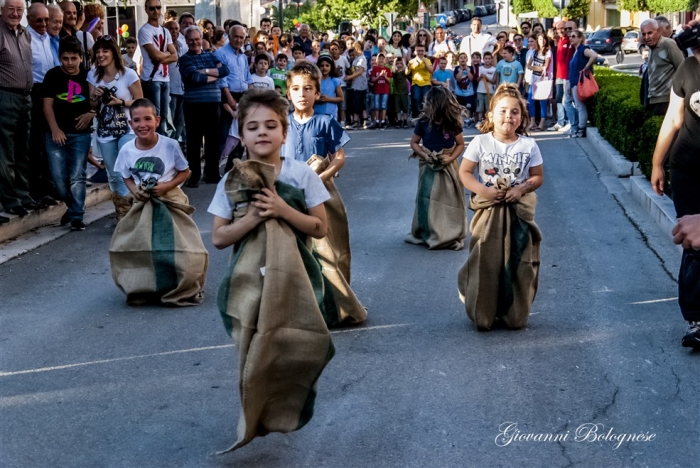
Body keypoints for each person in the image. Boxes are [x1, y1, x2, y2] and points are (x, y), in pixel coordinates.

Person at [208, 89, 333, 453]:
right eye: (252, 126)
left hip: (294, 277)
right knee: (252, 351)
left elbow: (319, 228)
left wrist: (282, 208)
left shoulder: (301, 176)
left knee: (294, 345)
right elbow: (218, 238)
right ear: (241, 135)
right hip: (248, 281)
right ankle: (253, 414)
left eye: (270, 125)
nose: (262, 132)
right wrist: (250, 218)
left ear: (284, 132)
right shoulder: (231, 181)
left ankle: (284, 408)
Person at [458, 84, 544, 330]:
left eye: (515, 112)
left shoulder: (528, 146)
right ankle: (484, 312)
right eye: (503, 110)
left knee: (519, 261)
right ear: (491, 115)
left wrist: (520, 189)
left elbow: (538, 177)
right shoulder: (480, 142)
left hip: (519, 212)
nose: (509, 116)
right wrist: (485, 191)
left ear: (522, 117)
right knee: (486, 260)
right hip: (489, 211)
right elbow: (465, 172)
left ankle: (514, 312)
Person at [650, 12, 700, 349]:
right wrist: (657, 162)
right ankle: (697, 318)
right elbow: (673, 118)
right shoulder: (689, 69)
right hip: (688, 169)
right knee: (694, 243)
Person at [43, 36, 97, 231]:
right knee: (58, 178)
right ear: (59, 58)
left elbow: (96, 101)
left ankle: (76, 216)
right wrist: (55, 128)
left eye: (74, 58)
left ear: (80, 58)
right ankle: (73, 206)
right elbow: (47, 105)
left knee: (77, 176)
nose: (70, 63)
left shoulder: (88, 76)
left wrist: (91, 114)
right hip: (56, 134)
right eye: (65, 58)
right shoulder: (52, 76)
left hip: (80, 134)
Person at [87, 35, 143, 219]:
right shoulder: (93, 75)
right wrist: (94, 97)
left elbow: (139, 102)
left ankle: (126, 215)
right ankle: (123, 209)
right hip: (105, 131)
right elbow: (93, 108)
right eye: (98, 51)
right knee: (113, 174)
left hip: (127, 128)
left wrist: (120, 101)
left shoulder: (128, 74)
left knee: (124, 168)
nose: (101, 55)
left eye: (105, 50)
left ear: (114, 52)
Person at [406, 86, 466, 250]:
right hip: (429, 164)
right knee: (427, 197)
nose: (424, 105)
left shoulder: (452, 122)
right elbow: (414, 142)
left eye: (428, 103)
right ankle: (427, 230)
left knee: (448, 199)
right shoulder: (424, 122)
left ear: (438, 105)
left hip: (447, 165)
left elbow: (460, 144)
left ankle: (449, 231)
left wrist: (451, 158)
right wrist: (424, 155)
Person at [0, 0, 40, 218]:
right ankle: (10, 199)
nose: (15, 14)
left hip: (26, 97)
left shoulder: (25, 33)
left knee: (23, 149)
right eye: (11, 9)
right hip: (5, 96)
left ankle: (23, 194)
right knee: (6, 152)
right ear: (1, 11)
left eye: (19, 10)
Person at [179, 25, 230, 187]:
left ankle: (212, 174)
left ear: (202, 39)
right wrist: (213, 73)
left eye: (197, 39)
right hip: (193, 105)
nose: (194, 42)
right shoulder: (185, 59)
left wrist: (205, 71)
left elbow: (225, 71)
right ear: (186, 41)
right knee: (194, 143)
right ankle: (194, 176)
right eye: (191, 40)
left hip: (213, 103)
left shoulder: (211, 55)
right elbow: (194, 78)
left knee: (213, 142)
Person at [27, 3, 60, 207]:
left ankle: (50, 186)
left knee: (50, 143)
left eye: (46, 20)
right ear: (29, 18)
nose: (43, 23)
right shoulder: (26, 38)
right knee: (36, 145)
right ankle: (38, 190)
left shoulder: (49, 39)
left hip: (51, 93)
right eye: (38, 20)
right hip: (35, 93)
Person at [138, 0, 177, 136]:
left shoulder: (165, 31)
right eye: (152, 8)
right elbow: (155, 56)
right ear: (146, 10)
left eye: (158, 8)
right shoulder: (144, 30)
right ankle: (154, 143)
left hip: (165, 78)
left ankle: (162, 143)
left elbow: (175, 56)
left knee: (165, 116)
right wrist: (165, 55)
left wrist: (163, 56)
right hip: (152, 78)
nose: (156, 11)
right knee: (155, 114)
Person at [215, 25, 252, 161]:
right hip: (227, 96)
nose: (238, 40)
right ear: (229, 36)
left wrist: (251, 98)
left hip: (243, 96)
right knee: (223, 134)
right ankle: (214, 170)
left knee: (241, 134)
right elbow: (221, 80)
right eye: (235, 36)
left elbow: (248, 78)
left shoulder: (242, 55)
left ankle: (232, 168)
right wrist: (229, 99)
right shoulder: (221, 53)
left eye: (241, 37)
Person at [640, 18, 685, 116]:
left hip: (666, 101)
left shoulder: (668, 44)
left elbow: (682, 69)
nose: (646, 37)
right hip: (654, 101)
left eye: (650, 33)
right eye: (644, 34)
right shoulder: (651, 47)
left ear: (659, 31)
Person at [564, 30, 598, 138]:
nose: (571, 38)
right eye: (570, 37)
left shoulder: (583, 49)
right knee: (570, 103)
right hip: (574, 82)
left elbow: (594, 56)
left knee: (580, 106)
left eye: (573, 36)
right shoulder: (576, 51)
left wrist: (586, 67)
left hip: (580, 82)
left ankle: (581, 129)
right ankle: (576, 126)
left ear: (580, 38)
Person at [547, 21, 575, 132]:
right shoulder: (560, 41)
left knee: (567, 100)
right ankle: (560, 121)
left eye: (563, 28)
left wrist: (567, 78)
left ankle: (568, 121)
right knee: (559, 99)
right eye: (558, 29)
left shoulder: (570, 41)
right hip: (559, 76)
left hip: (566, 77)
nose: (561, 31)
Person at [163, 21, 185, 146]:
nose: (174, 31)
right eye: (171, 29)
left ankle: (176, 145)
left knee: (180, 122)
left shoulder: (183, 45)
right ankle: (169, 146)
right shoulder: (162, 47)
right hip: (169, 89)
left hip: (183, 89)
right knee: (169, 122)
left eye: (176, 28)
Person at [526, 33, 552, 131]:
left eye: (544, 39)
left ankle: (541, 123)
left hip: (543, 80)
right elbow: (528, 66)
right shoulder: (534, 52)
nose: (542, 41)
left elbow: (545, 67)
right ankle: (532, 122)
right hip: (533, 80)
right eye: (540, 39)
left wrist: (535, 68)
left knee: (542, 102)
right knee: (530, 101)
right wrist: (537, 68)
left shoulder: (548, 52)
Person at [345, 42, 368, 129]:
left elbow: (360, 71)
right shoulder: (357, 58)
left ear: (357, 49)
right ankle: (359, 120)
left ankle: (359, 120)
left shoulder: (361, 59)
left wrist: (350, 77)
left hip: (360, 84)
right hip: (355, 84)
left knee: (359, 103)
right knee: (356, 102)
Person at [314, 55, 344, 120]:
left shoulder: (334, 81)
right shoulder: (315, 81)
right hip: (317, 115)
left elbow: (341, 98)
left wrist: (328, 99)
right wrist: (316, 100)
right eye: (322, 66)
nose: (324, 68)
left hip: (331, 115)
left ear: (331, 67)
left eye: (327, 65)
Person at [407, 43, 432, 119]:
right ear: (415, 52)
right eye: (418, 51)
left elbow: (431, 70)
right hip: (416, 83)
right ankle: (416, 117)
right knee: (416, 99)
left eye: (422, 51)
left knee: (425, 100)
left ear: (425, 52)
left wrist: (424, 61)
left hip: (426, 83)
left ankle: (426, 117)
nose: (420, 52)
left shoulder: (427, 60)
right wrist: (408, 65)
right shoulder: (412, 61)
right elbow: (406, 73)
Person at [369, 53, 392, 129]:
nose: (381, 60)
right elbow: (373, 79)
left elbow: (389, 80)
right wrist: (379, 76)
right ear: (377, 60)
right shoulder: (375, 69)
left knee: (383, 106)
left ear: (385, 60)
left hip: (385, 91)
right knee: (377, 106)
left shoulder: (387, 69)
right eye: (379, 59)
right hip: (377, 90)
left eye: (382, 59)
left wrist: (384, 76)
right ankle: (377, 120)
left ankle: (383, 121)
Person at [330, 41, 350, 127]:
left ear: (339, 50)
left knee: (342, 105)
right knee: (334, 104)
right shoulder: (329, 60)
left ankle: (342, 122)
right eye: (332, 49)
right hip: (332, 85)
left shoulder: (343, 58)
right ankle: (334, 122)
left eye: (335, 49)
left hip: (342, 85)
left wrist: (348, 77)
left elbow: (348, 68)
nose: (334, 51)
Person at [453, 52, 475, 127]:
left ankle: (467, 120)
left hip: (468, 93)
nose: (463, 59)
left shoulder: (471, 68)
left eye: (464, 57)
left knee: (468, 108)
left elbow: (471, 78)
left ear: (467, 59)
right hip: (459, 93)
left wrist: (467, 69)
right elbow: (458, 78)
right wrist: (461, 70)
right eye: (461, 58)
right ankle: (460, 121)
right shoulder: (456, 68)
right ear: (458, 60)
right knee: (459, 108)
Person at [475, 51, 496, 128]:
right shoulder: (480, 68)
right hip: (480, 90)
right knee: (480, 106)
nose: (487, 60)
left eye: (489, 58)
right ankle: (480, 121)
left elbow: (494, 81)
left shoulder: (494, 69)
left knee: (488, 107)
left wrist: (487, 78)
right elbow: (476, 80)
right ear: (483, 59)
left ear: (491, 60)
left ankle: (488, 120)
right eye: (486, 58)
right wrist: (480, 77)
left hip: (490, 91)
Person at [391, 57, 410, 128]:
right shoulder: (394, 72)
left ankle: (405, 120)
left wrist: (405, 65)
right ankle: (399, 120)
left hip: (404, 91)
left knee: (405, 107)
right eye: (397, 63)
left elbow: (408, 72)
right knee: (397, 108)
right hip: (396, 92)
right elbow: (393, 72)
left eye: (401, 63)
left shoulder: (405, 71)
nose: (399, 65)